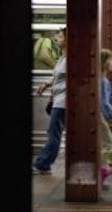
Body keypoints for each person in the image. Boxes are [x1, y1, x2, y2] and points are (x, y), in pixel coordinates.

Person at [33, 27, 67, 174]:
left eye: (60, 36)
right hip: (59, 100)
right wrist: (46, 84)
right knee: (54, 132)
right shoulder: (63, 57)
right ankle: (44, 163)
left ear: (68, 39)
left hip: (62, 102)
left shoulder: (69, 59)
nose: (56, 39)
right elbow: (57, 76)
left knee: (54, 133)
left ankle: (43, 163)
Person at [99, 48, 112, 189]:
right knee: (109, 145)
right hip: (100, 117)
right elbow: (104, 103)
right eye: (110, 59)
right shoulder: (104, 81)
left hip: (97, 116)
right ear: (103, 62)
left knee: (102, 145)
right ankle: (103, 175)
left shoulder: (100, 79)